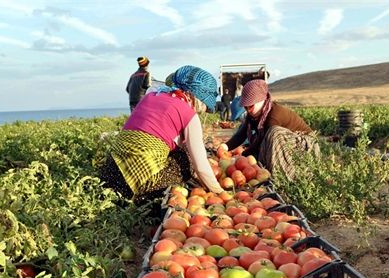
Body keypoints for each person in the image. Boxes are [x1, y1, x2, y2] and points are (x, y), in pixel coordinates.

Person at [100, 65, 224, 203]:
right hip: (139, 184)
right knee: (187, 159)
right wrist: (220, 193)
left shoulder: (150, 97)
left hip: (110, 174)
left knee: (173, 150)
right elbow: (200, 166)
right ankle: (145, 198)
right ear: (198, 98)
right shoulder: (188, 113)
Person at [224, 79, 319, 180]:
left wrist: (241, 157)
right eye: (246, 107)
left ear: (262, 100)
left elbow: (262, 140)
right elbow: (241, 134)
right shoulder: (254, 114)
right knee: (262, 142)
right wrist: (225, 147)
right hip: (285, 142)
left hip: (304, 145)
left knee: (273, 133)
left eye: (250, 106)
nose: (248, 110)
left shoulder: (275, 114)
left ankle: (285, 177)